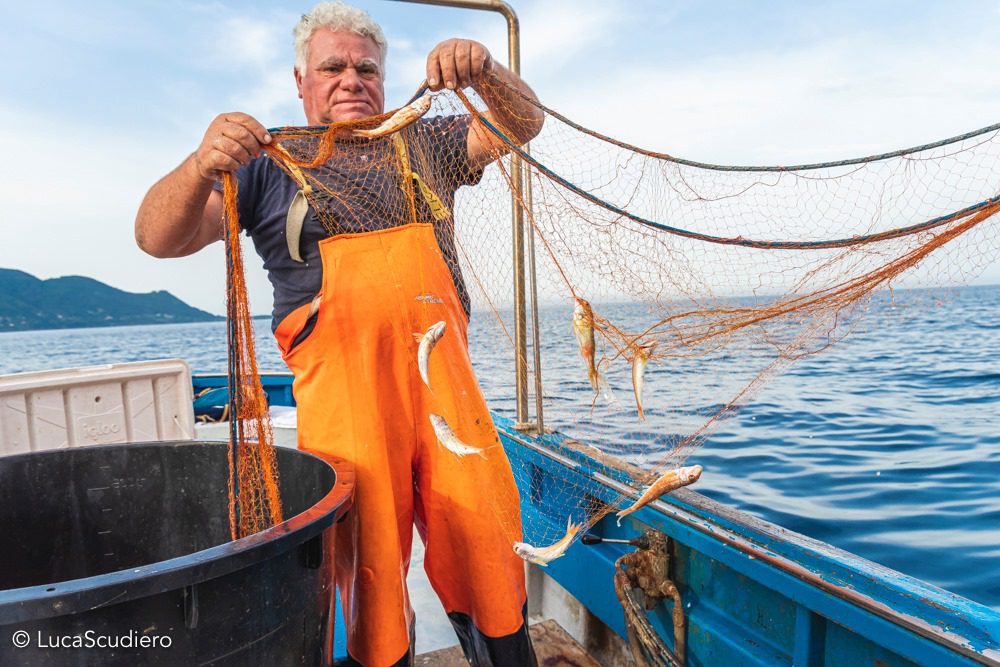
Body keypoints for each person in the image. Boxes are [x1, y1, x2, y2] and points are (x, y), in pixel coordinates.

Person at [135, 2, 543, 666]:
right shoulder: (265, 163)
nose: (353, 79)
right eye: (333, 66)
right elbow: (157, 237)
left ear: (384, 79)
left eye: (367, 68)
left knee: (488, 543)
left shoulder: (426, 141)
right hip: (346, 408)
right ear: (301, 81)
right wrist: (198, 163)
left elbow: (523, 122)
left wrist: (487, 70)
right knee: (370, 576)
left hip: (447, 399)